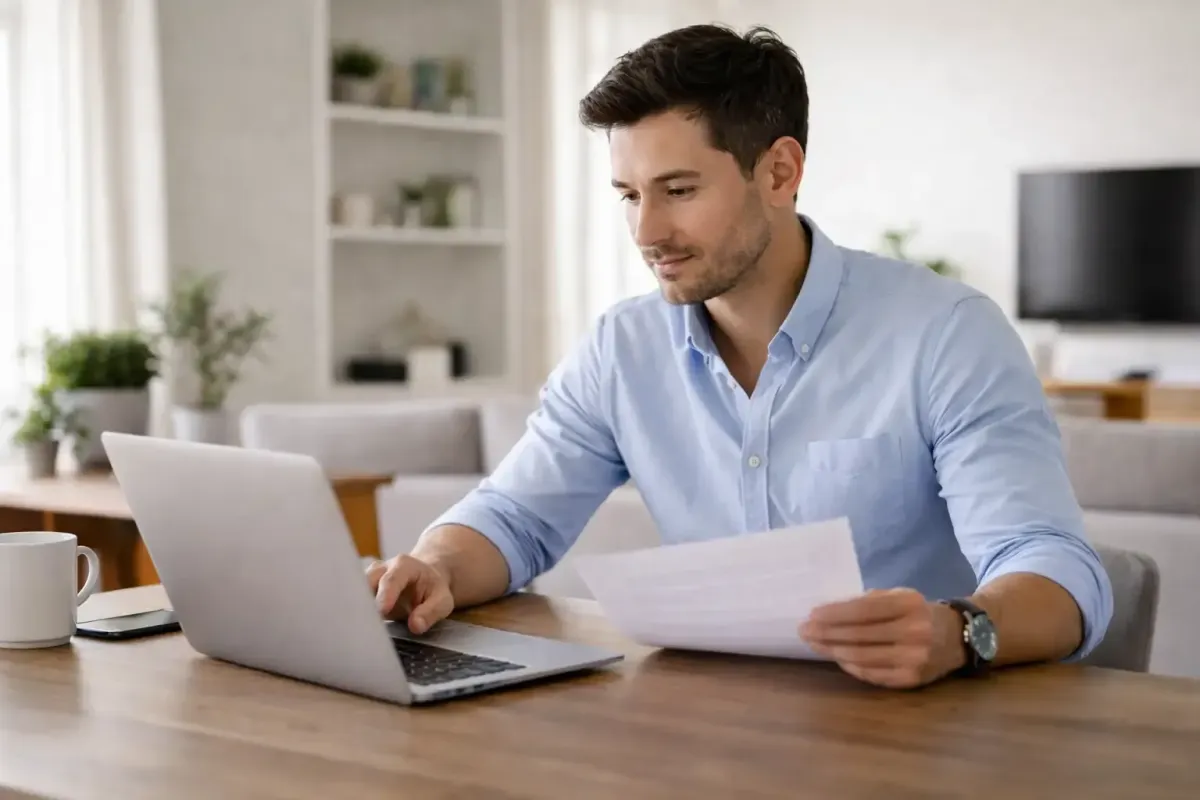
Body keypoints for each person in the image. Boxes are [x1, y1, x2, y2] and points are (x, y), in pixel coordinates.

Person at [367, 23, 1113, 689]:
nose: (646, 230)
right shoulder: (622, 350)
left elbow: (1056, 571)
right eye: (628, 195)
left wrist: (958, 632)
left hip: (918, 734)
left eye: (679, 189)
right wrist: (435, 565)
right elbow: (513, 518)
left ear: (780, 172)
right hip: (713, 729)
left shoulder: (947, 334)